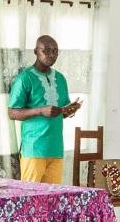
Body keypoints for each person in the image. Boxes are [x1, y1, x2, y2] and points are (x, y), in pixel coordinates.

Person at [7, 35, 81, 184]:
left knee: (53, 196)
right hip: (34, 149)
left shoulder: (60, 79)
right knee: (30, 195)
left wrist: (69, 110)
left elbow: (59, 111)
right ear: (36, 51)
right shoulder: (25, 78)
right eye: (46, 51)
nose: (51, 55)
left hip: (56, 149)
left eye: (55, 51)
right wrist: (40, 111)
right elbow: (12, 112)